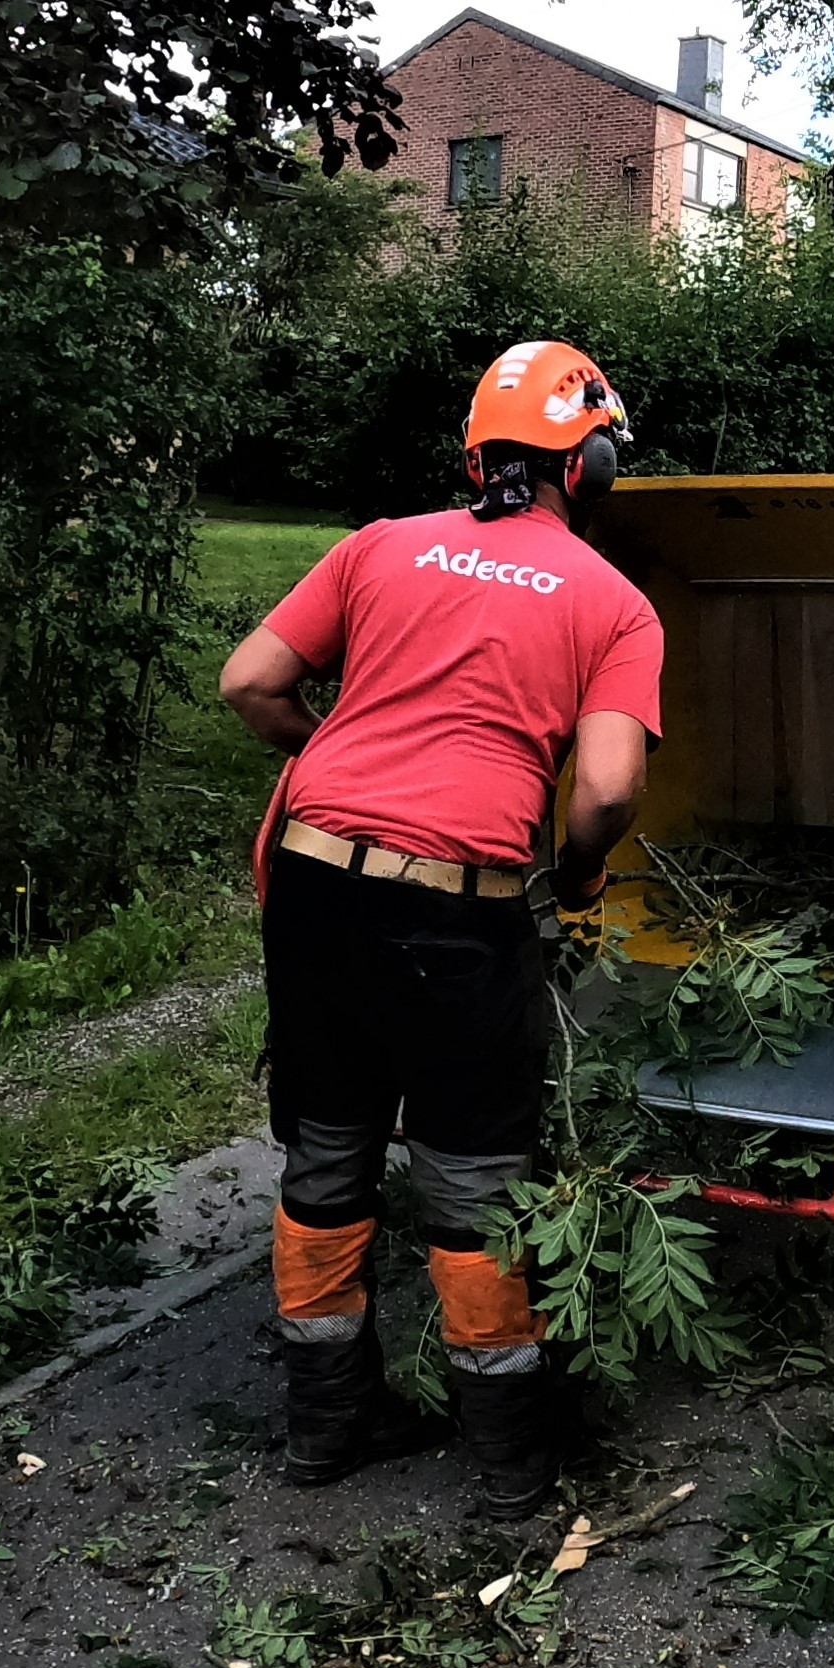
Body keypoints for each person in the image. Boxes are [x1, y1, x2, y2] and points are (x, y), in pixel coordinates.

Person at [218, 341, 662, 1515]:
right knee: (471, 1180)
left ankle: (328, 1426)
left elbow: (248, 682)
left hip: (314, 885)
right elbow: (608, 790)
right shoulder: (614, 604)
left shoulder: (379, 543)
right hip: (456, 908)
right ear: (595, 463)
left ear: (479, 454)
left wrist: (335, 761)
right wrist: (571, 874)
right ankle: (511, 1458)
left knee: (328, 1147)